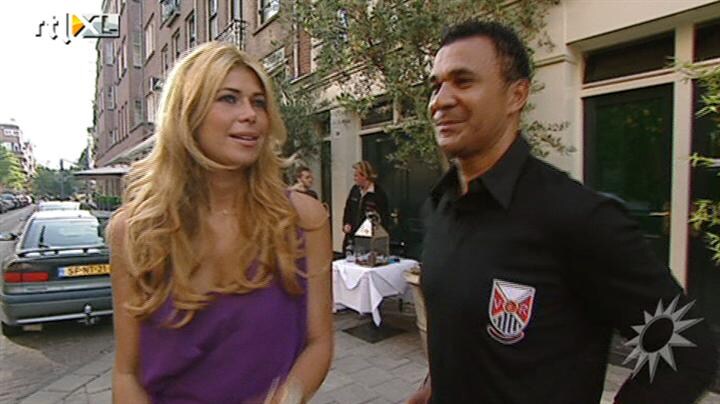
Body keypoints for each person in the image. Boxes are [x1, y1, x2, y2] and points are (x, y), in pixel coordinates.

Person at [408, 20, 718, 404]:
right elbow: (456, 327)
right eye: (436, 85)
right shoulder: (438, 207)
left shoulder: (577, 217)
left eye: (463, 81)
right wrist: (432, 388)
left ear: (516, 95)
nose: (440, 100)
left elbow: (688, 347)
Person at [108, 41, 333, 403]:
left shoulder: (304, 219)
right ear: (187, 113)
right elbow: (126, 373)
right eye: (229, 98)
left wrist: (284, 399)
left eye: (258, 102)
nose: (250, 114)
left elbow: (319, 343)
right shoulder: (134, 230)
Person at [341, 160, 390, 251]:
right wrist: (346, 223)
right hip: (352, 237)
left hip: (369, 240)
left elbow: (383, 217)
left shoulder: (378, 194)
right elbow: (348, 209)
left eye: (356, 176)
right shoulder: (355, 190)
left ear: (364, 176)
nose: (354, 178)